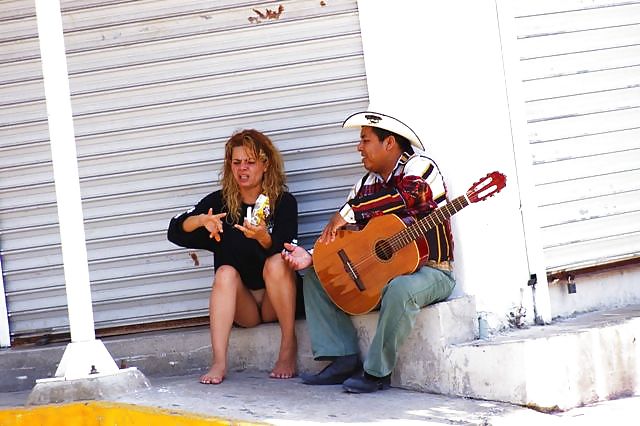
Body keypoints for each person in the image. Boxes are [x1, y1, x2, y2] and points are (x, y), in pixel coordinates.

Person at [282, 111, 456, 393]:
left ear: (389, 143)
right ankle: (341, 357)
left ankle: (377, 373)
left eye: (364, 140)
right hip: (382, 273)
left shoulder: (420, 167)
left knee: (400, 289)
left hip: (432, 271)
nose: (358, 147)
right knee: (316, 273)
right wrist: (312, 256)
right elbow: (345, 235)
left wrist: (350, 211)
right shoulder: (365, 185)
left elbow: (408, 197)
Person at [168, 129, 301, 384]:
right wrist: (200, 221)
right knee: (225, 273)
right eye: (237, 162)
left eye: (250, 162)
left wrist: (262, 237)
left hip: (277, 300)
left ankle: (288, 347)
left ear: (265, 164)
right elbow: (175, 231)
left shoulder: (283, 202)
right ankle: (219, 362)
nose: (243, 169)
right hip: (245, 307)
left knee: (276, 262)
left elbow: (287, 250)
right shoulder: (220, 204)